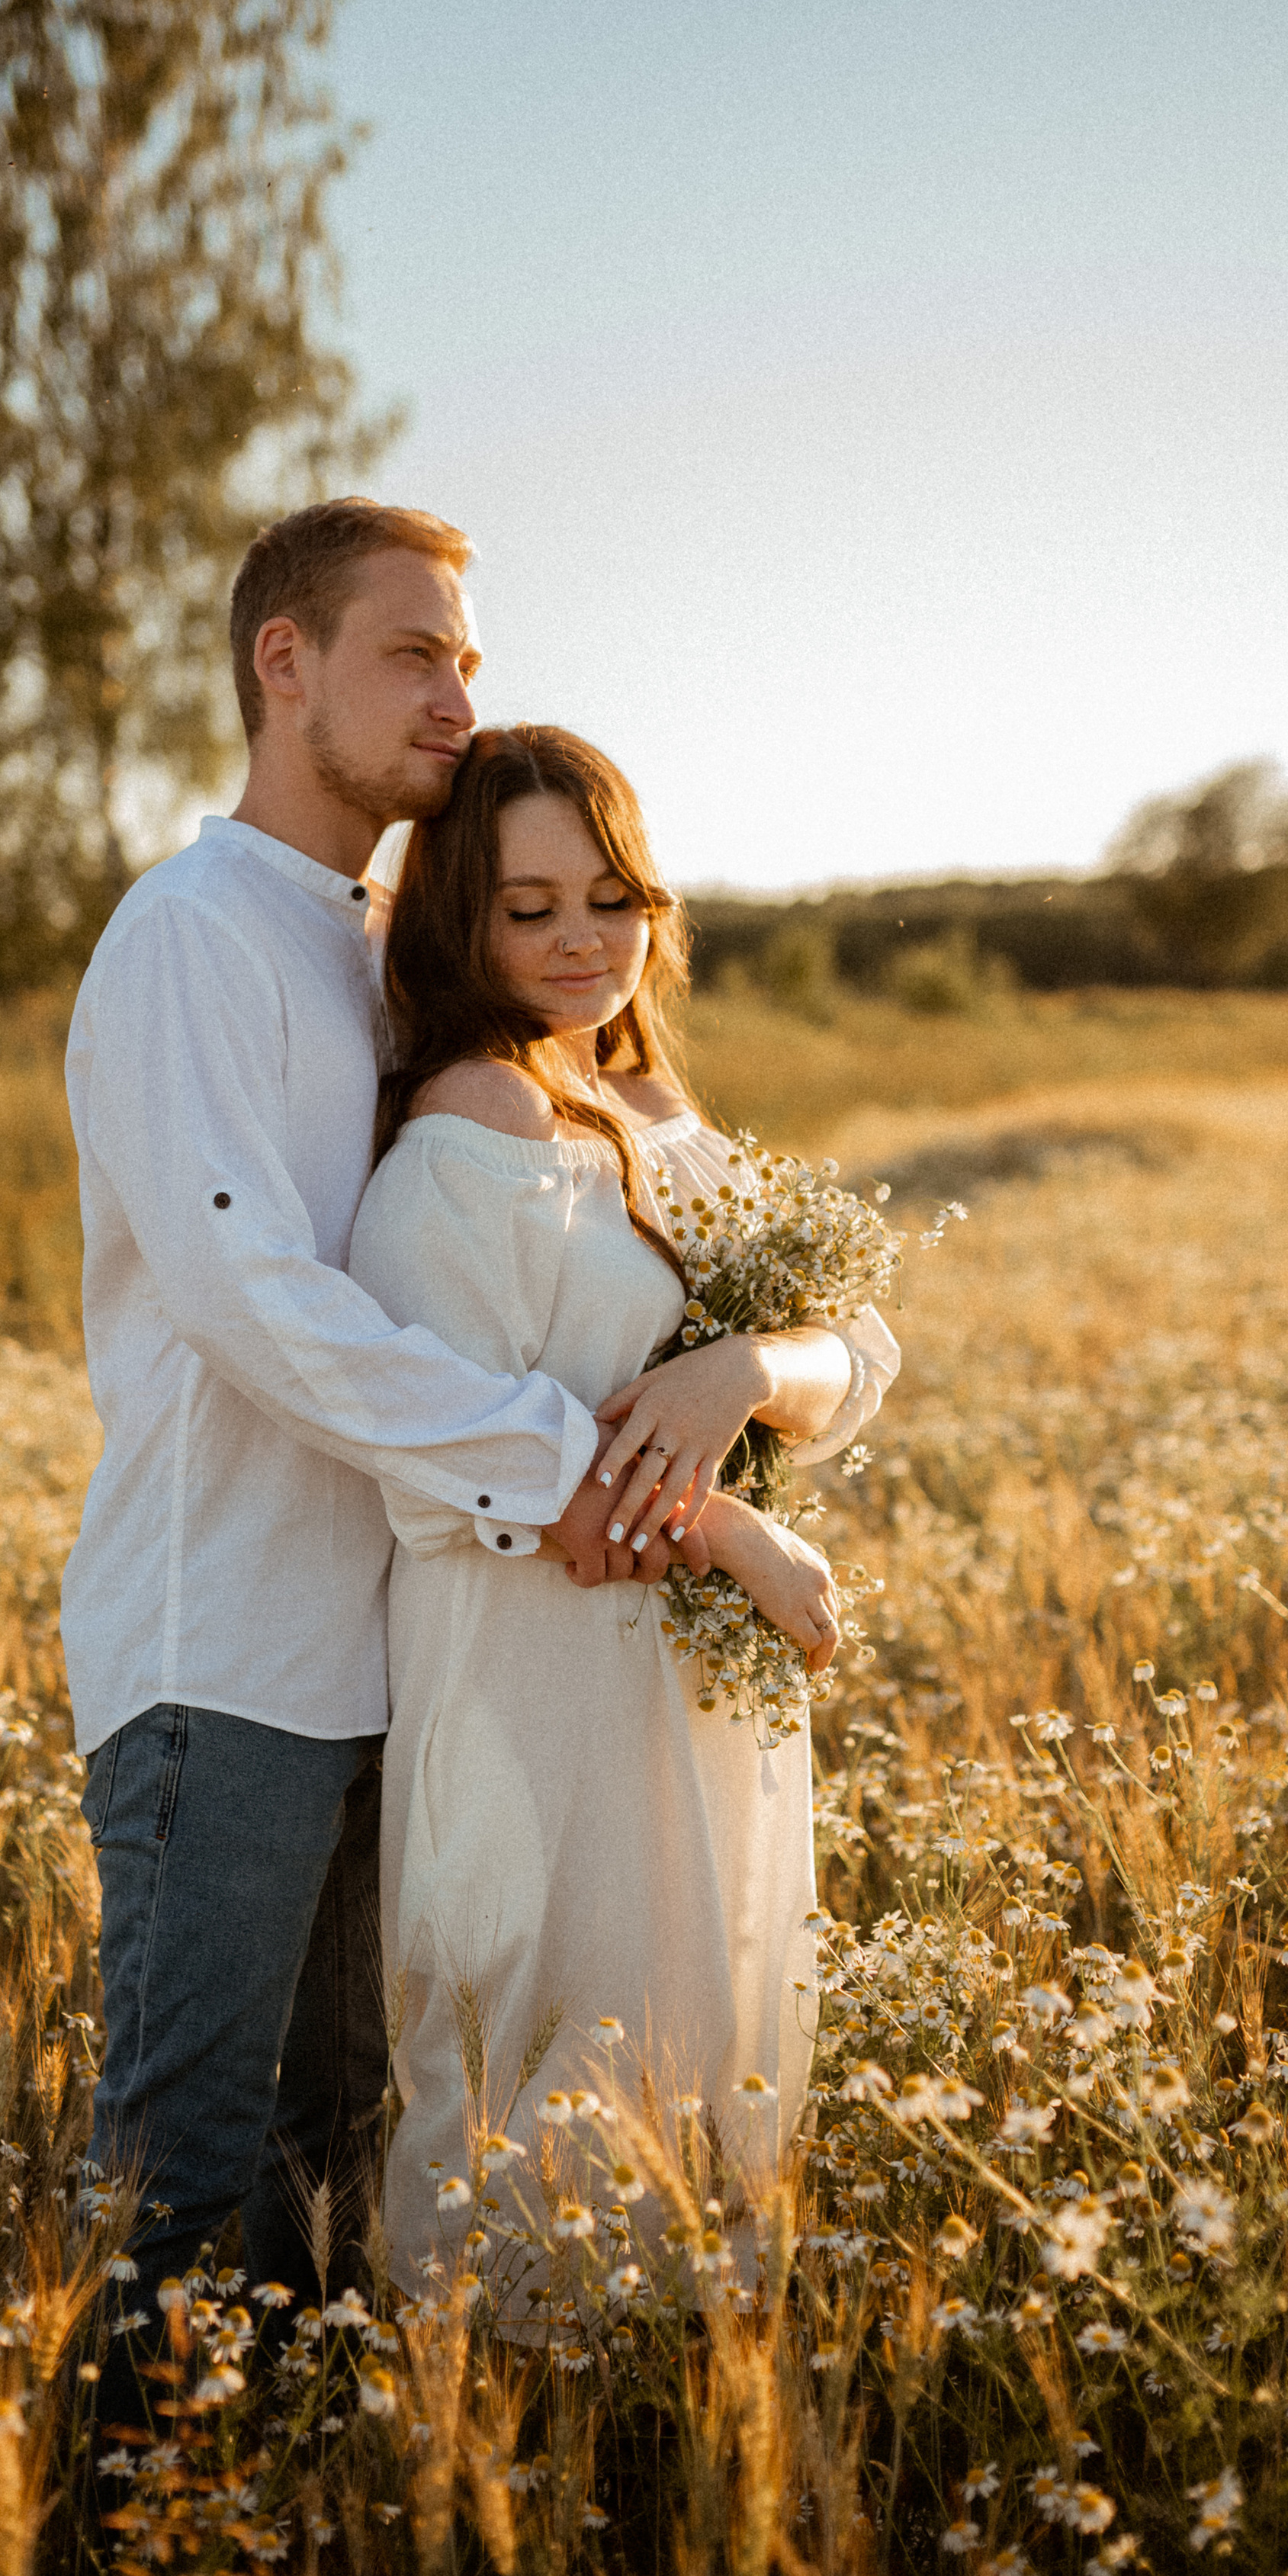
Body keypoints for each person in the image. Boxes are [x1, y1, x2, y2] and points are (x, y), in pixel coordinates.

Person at [60, 501, 862, 2347]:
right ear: (286, 665)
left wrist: (731, 1382)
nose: (453, 694)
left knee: (346, 2162)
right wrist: (635, 1485)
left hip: (404, 1650)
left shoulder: (367, 945)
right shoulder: (194, 936)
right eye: (414, 653)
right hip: (231, 1648)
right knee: (187, 2183)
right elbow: (254, 1295)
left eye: (466, 662)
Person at [347, 724, 899, 2308]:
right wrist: (732, 1531)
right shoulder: (470, 1127)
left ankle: (657, 2426)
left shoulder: (647, 1103)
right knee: (533, 2062)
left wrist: (745, 1365)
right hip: (536, 1674)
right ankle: (486, 2453)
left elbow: (856, 1348)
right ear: (461, 921)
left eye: (610, 895)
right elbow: (444, 1463)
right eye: (527, 909)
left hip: (688, 1681)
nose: (580, 938)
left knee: (694, 2033)